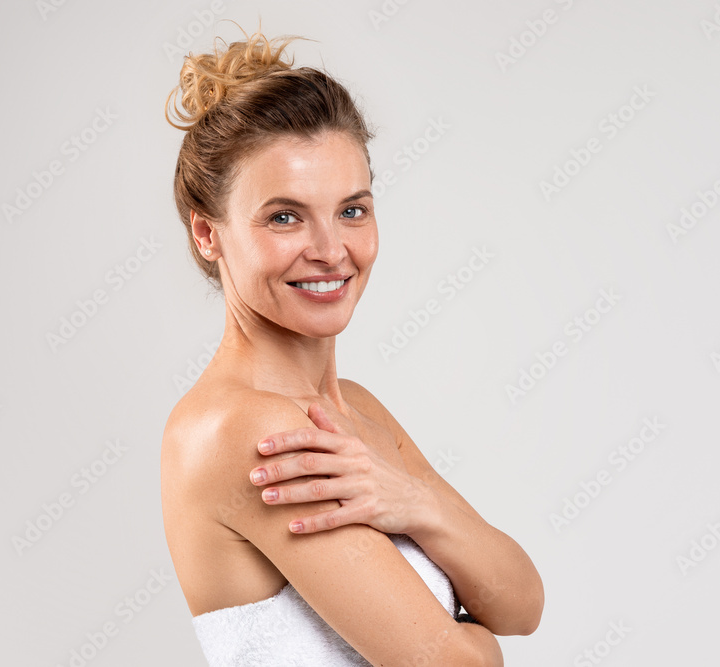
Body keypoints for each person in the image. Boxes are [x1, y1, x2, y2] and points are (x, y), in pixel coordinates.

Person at [160, 25, 544, 666]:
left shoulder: (356, 411)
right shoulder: (244, 430)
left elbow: (522, 603)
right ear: (207, 233)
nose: (331, 250)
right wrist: (477, 639)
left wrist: (415, 501)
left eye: (351, 210)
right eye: (285, 216)